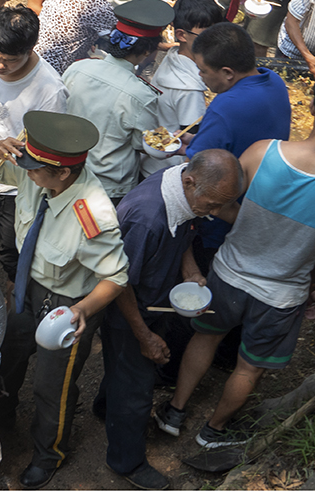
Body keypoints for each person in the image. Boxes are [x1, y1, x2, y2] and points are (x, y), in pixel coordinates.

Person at [157, 70, 315, 448]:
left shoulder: (262, 151)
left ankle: (174, 411)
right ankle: (213, 432)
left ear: (310, 104)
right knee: (249, 366)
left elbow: (221, 200)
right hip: (281, 296)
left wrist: (246, 220)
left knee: (206, 338)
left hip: (228, 273)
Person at [0, 111, 128, 490]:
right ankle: (3, 417)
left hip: (68, 303)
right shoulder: (38, 174)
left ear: (63, 172)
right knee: (6, 356)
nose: (25, 173)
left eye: (33, 169)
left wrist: (81, 310)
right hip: (28, 289)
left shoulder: (93, 216)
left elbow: (116, 277)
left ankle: (49, 454)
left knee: (52, 384)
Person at [97, 150, 243, 490]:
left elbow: (186, 230)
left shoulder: (180, 184)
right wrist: (144, 335)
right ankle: (126, 460)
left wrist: (189, 268)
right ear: (190, 182)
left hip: (156, 294)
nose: (215, 214)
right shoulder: (147, 219)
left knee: (123, 368)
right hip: (131, 308)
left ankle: (106, 407)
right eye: (211, 205)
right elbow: (119, 283)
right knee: (136, 385)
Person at [0, 7, 68, 284]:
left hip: (15, 188)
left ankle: (12, 291)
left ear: (30, 49)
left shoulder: (50, 90)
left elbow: (49, 150)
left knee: (12, 248)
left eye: (10, 60)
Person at [184, 23, 291, 272]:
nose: (200, 76)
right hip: (265, 200)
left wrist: (185, 148)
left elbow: (196, 166)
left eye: (203, 71)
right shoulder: (273, 80)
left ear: (228, 72)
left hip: (224, 216)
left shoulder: (225, 106)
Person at [63, 0, 173, 204]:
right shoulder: (141, 95)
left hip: (66, 174)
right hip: (108, 188)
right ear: (148, 51)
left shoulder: (77, 68)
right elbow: (144, 144)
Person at [142, 0, 223, 178]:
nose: (216, 39)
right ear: (181, 35)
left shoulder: (174, 58)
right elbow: (195, 142)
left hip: (152, 163)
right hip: (169, 170)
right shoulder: (189, 89)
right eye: (208, 34)